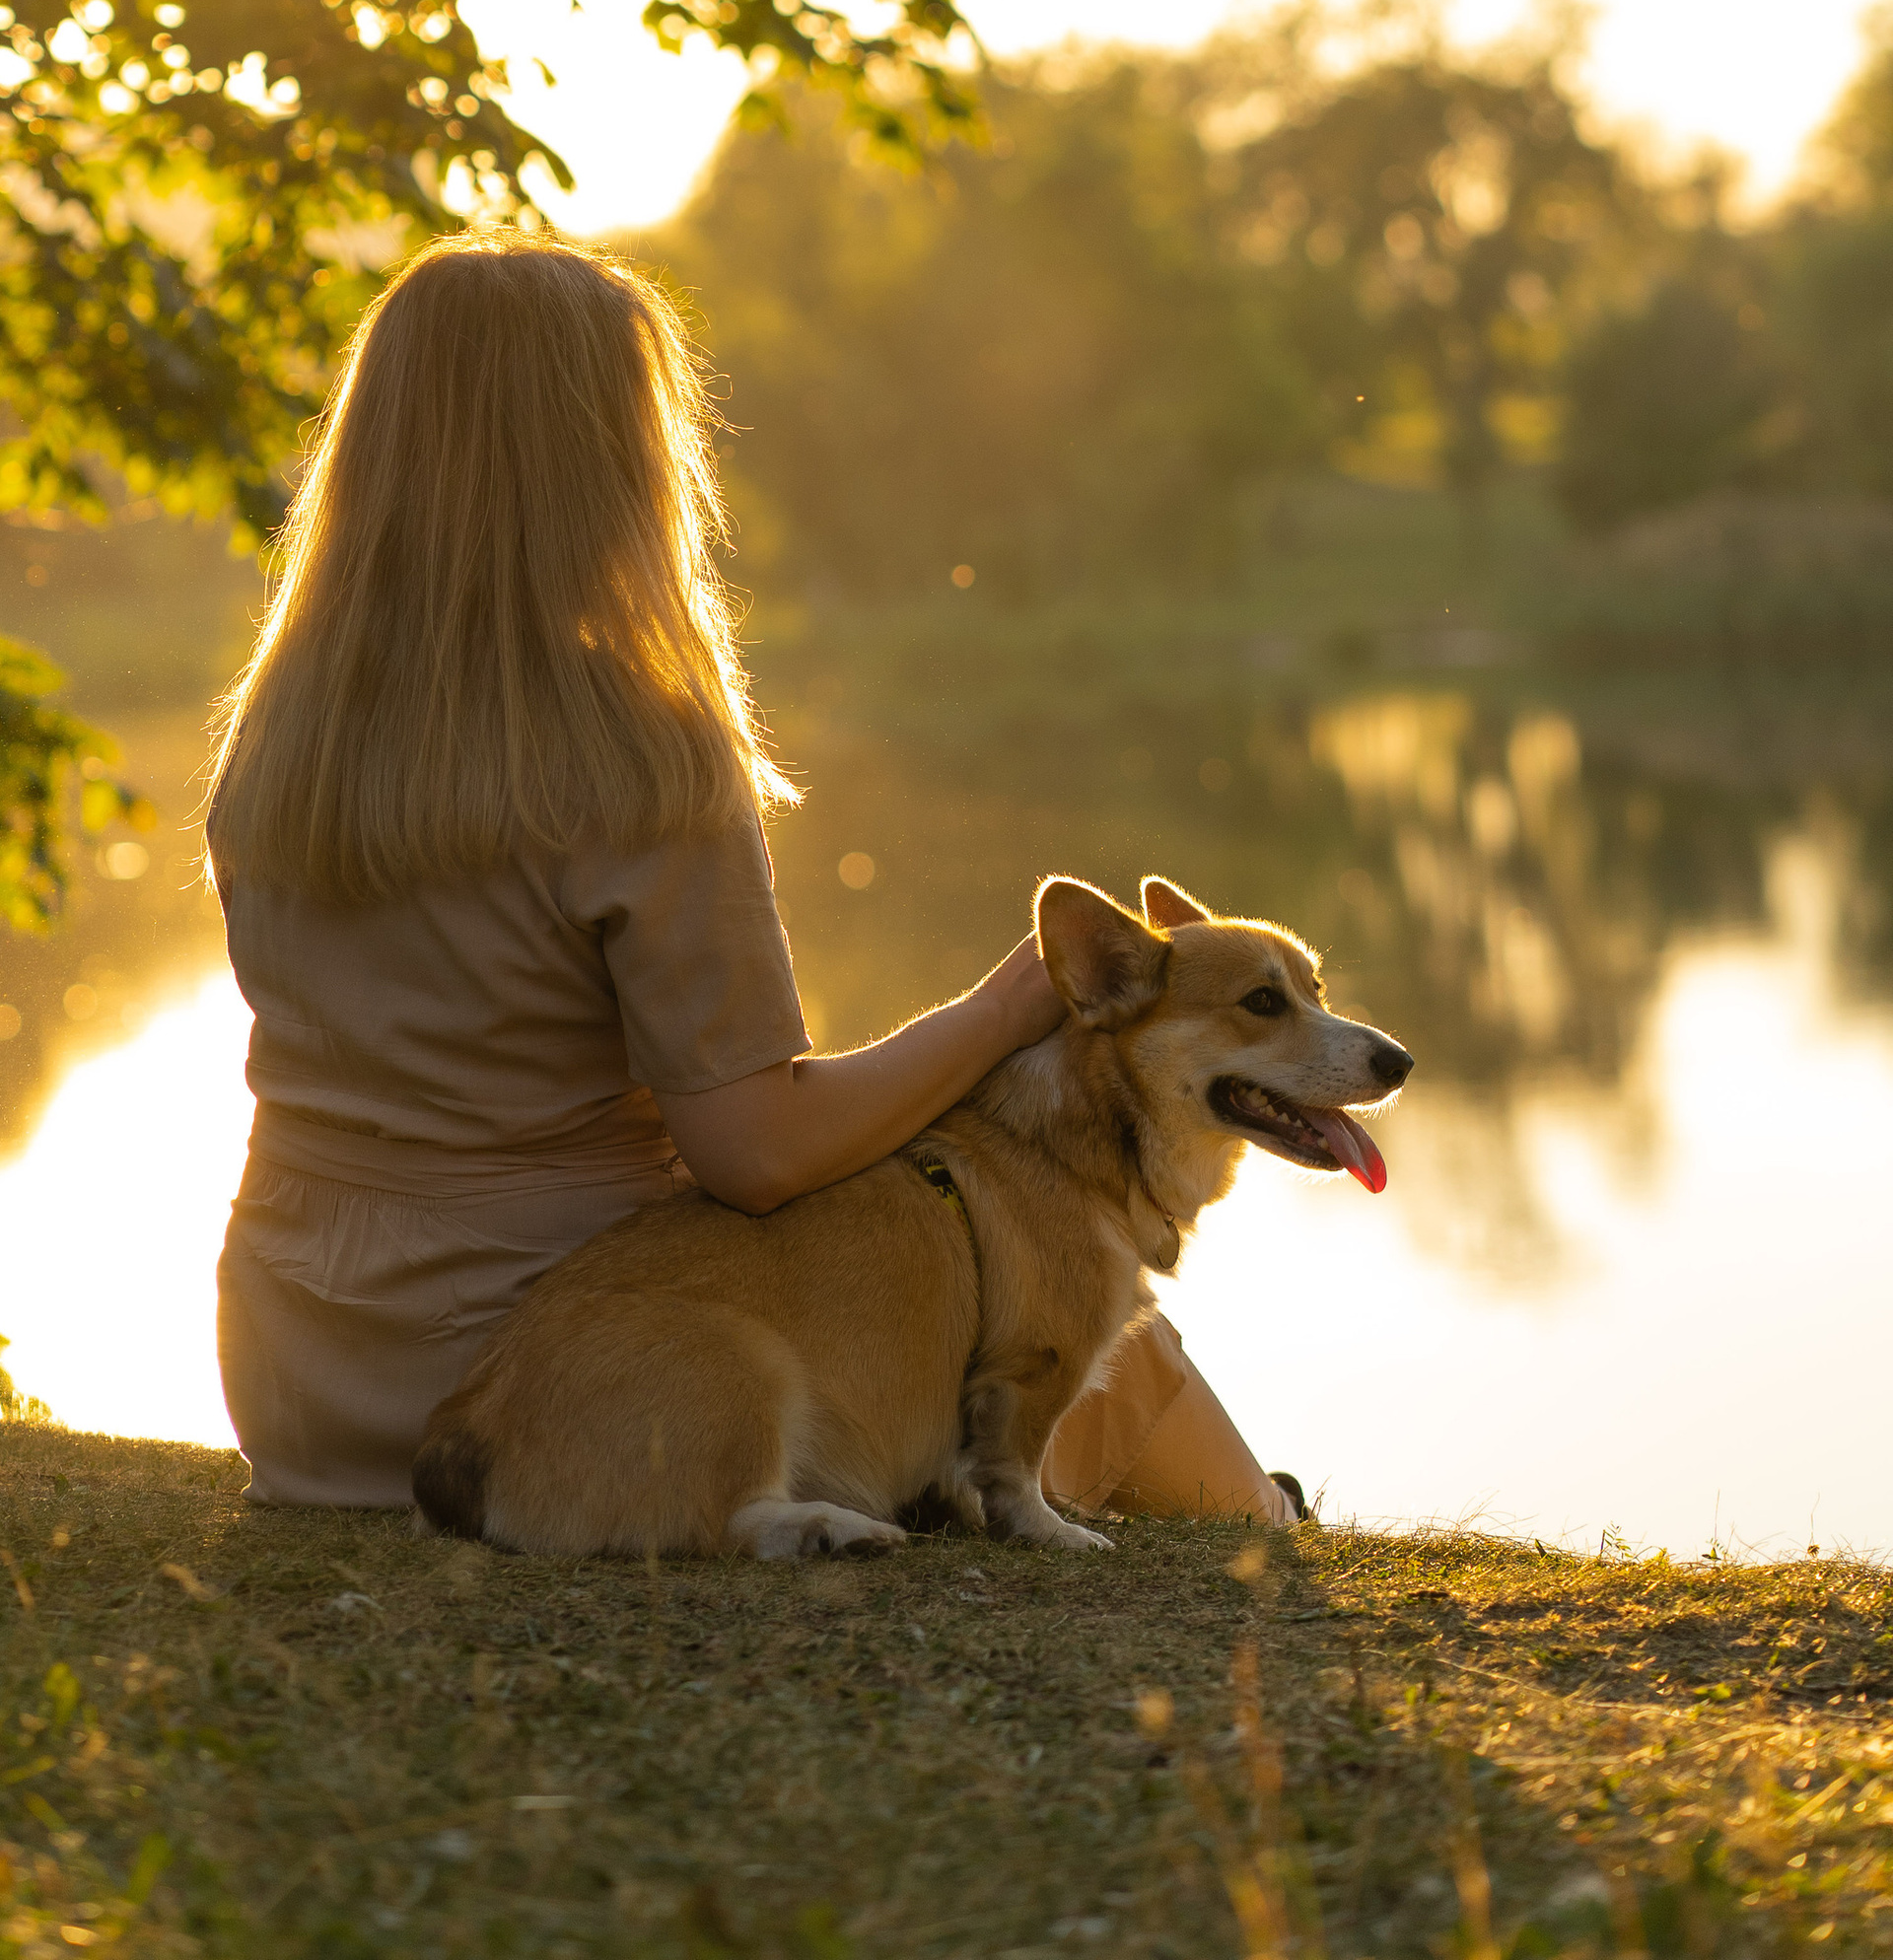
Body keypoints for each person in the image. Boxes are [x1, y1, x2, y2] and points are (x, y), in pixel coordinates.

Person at [207, 232, 1296, 1528]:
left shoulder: (281, 738)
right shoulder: (633, 755)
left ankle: (1221, 1513)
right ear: (612, 464)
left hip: (307, 1384)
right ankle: (1264, 1534)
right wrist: (1003, 1014)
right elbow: (756, 1152)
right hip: (576, 1383)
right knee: (1059, 1281)